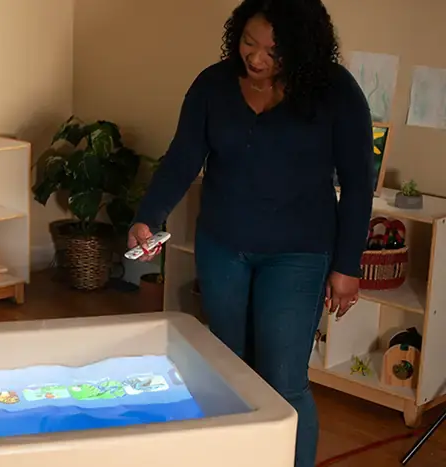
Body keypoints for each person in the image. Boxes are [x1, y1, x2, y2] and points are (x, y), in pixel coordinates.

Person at [127, 1, 374, 465]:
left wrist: (347, 265)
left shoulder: (336, 92)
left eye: (273, 52)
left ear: (302, 50)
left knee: (283, 380)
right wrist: (149, 216)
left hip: (298, 252)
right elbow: (182, 158)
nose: (256, 59)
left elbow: (359, 183)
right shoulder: (212, 85)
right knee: (227, 368)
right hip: (223, 246)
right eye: (248, 43)